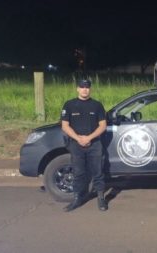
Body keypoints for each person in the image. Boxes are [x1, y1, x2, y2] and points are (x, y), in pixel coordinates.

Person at [61, 79, 108, 212]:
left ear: (90, 89)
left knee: (98, 172)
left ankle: (101, 199)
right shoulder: (69, 105)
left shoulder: (97, 105)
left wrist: (89, 137)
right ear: (77, 89)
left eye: (87, 87)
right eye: (82, 87)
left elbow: (103, 125)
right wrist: (78, 138)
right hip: (76, 144)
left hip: (94, 143)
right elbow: (65, 125)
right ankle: (77, 199)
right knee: (78, 173)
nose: (84, 89)